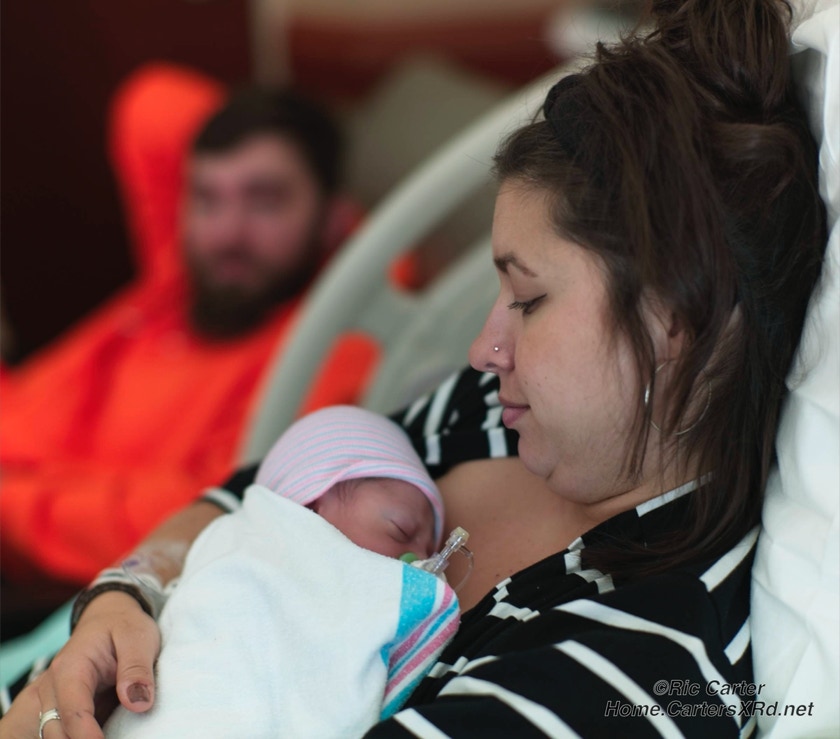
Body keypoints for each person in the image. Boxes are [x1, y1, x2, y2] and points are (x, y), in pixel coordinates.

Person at [2, 0, 828, 736]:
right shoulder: (493, 412)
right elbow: (255, 494)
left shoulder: (637, 672)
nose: (482, 350)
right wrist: (122, 598)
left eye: (528, 299)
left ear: (676, 317)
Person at [0, 63, 377, 627]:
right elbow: (150, 103)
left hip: (60, 589)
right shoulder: (180, 278)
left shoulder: (333, 345)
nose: (227, 232)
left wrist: (10, 503)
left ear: (336, 219)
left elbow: (197, 514)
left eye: (266, 199)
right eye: (205, 198)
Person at [103, 406, 459, 738]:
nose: (419, 559)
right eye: (400, 529)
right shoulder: (236, 544)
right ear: (312, 501)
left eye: (430, 550)